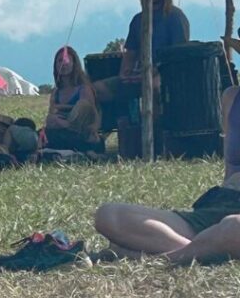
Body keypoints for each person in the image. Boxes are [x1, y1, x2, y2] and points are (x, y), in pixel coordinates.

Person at [94, 85, 240, 263]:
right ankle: (201, 250)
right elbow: (231, 166)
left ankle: (160, 257)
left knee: (233, 226)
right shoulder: (232, 97)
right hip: (222, 203)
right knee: (110, 215)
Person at [92, 0, 189, 135]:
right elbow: (130, 53)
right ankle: (105, 131)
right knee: (95, 90)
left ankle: (157, 133)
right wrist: (125, 73)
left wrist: (156, 72)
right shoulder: (138, 20)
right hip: (139, 74)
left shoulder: (175, 17)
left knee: (153, 87)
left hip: (166, 77)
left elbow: (179, 57)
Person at [43, 46, 102, 152]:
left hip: (80, 128)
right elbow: (51, 114)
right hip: (61, 128)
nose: (63, 64)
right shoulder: (56, 92)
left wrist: (61, 110)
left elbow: (87, 111)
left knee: (82, 105)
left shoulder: (84, 88)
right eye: (60, 61)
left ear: (74, 64)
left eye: (66, 60)